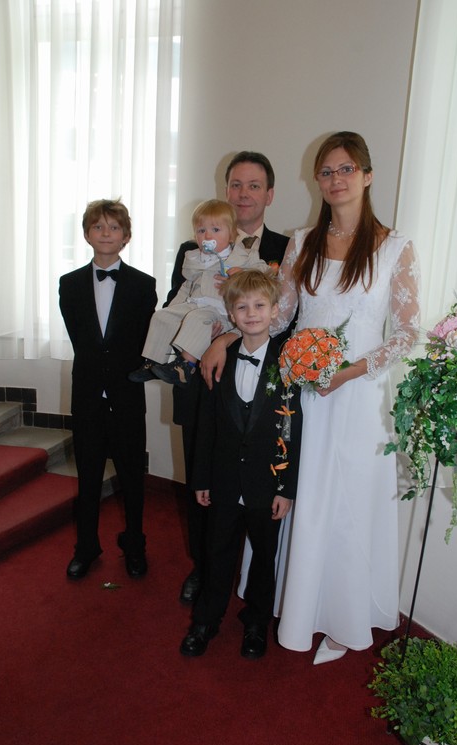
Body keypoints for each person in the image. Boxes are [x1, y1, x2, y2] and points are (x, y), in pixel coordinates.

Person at [269, 131, 420, 664]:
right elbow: (281, 317)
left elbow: (407, 333)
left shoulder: (396, 246)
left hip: (360, 397)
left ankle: (344, 618)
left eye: (347, 169)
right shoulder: (301, 242)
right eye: (327, 171)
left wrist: (350, 372)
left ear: (368, 175)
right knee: (308, 496)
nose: (336, 180)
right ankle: (301, 608)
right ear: (318, 180)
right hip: (309, 396)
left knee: (350, 504)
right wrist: (230, 323)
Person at [171, 153, 290, 606]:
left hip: (259, 395)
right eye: (236, 185)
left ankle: (252, 585)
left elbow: (287, 319)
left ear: (269, 195)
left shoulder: (285, 249)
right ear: (226, 191)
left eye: (254, 185)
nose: (244, 194)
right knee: (203, 480)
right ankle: (203, 570)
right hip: (206, 386)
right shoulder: (195, 248)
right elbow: (178, 304)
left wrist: (229, 336)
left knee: (257, 490)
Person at [179, 269, 302, 659]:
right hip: (225, 480)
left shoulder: (288, 363)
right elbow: (207, 425)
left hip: (267, 484)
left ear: (275, 310)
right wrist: (201, 478)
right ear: (231, 314)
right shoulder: (218, 358)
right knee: (217, 554)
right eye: (242, 307)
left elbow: (292, 429)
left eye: (260, 305)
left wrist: (286, 488)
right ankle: (205, 621)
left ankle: (256, 624)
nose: (251, 314)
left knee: (265, 558)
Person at [59, 199, 157, 580]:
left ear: (126, 236)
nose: (105, 233)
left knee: (132, 478)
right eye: (98, 227)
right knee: (87, 478)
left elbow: (142, 340)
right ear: (86, 234)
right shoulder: (69, 284)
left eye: (114, 227)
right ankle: (86, 547)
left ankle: (134, 545)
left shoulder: (144, 285)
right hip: (87, 397)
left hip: (127, 396)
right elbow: (81, 341)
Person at [128, 199, 267, 387]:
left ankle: (186, 366)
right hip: (195, 304)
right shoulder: (195, 259)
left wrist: (243, 274)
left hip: (221, 311)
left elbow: (265, 273)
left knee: (197, 319)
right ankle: (154, 361)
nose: (207, 235)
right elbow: (186, 287)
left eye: (215, 230)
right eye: (201, 231)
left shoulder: (243, 257)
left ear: (232, 234)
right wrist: (174, 308)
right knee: (162, 316)